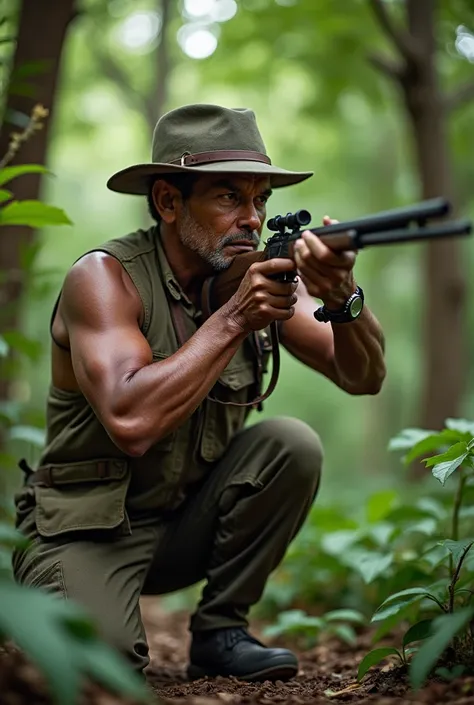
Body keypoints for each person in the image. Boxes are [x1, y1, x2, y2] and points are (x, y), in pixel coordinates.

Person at [12, 104, 386, 682]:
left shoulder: (251, 278)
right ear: (167, 201)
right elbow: (130, 421)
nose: (253, 218)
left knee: (291, 443)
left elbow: (363, 376)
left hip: (183, 526)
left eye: (260, 199)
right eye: (228, 198)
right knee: (96, 671)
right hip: (87, 529)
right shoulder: (104, 279)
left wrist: (344, 299)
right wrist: (235, 319)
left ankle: (221, 632)